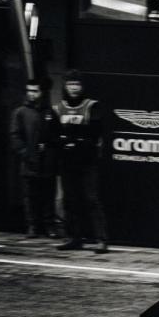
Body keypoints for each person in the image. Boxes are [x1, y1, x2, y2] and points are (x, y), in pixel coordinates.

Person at [56, 70, 108, 252]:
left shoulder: (91, 106)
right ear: (65, 86)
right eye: (70, 84)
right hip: (67, 162)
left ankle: (101, 239)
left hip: (87, 161)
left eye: (76, 84)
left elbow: (94, 132)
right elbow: (52, 135)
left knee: (92, 199)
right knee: (70, 200)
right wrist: (73, 136)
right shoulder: (58, 108)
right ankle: (73, 237)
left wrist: (71, 136)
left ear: (82, 86)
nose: (73, 88)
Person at [9, 80, 61, 238]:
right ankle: (32, 226)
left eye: (34, 91)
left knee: (48, 195)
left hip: (47, 162)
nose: (31, 94)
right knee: (30, 196)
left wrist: (50, 150)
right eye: (29, 90)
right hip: (29, 162)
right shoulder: (20, 112)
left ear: (41, 92)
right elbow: (15, 136)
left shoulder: (50, 112)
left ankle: (49, 226)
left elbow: (56, 134)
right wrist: (26, 152)